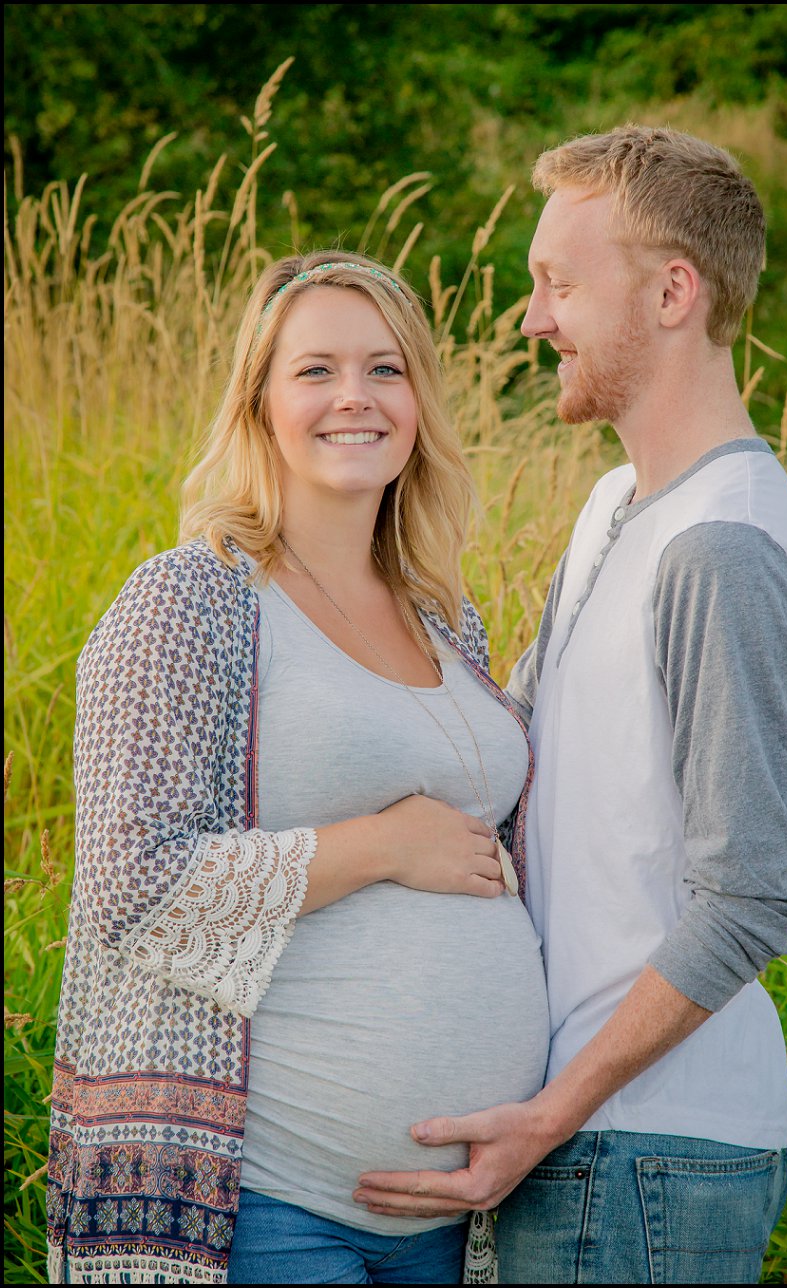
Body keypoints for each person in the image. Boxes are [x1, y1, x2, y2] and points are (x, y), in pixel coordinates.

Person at [351, 126, 787, 1284]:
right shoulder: (618, 502)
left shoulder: (723, 545)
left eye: (557, 284)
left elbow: (757, 892)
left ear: (672, 292)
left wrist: (553, 1112)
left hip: (646, 1155)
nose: (530, 319)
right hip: (595, 1143)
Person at [44, 250, 548, 1285]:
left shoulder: (446, 614)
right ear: (260, 401)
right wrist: (379, 847)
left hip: (458, 1214)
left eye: (386, 370)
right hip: (274, 1203)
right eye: (315, 370)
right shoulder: (191, 602)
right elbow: (128, 884)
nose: (353, 398)